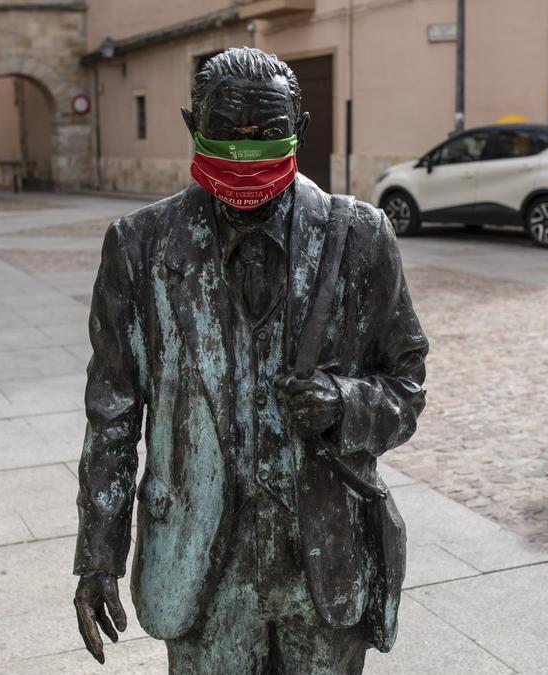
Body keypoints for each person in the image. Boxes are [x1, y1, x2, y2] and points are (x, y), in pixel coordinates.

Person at [71, 47, 428, 673]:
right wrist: (99, 555)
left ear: (302, 130)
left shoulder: (362, 237)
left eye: (266, 136)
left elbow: (406, 385)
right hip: (197, 562)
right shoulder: (139, 246)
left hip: (325, 558)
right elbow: (114, 415)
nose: (245, 153)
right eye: (225, 135)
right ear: (191, 126)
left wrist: (346, 404)